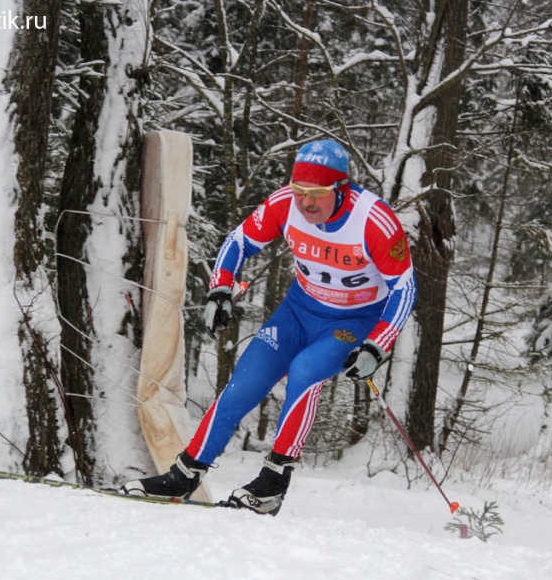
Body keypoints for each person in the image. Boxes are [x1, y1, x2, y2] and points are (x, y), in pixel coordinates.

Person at [120, 139, 417, 515]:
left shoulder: (373, 219)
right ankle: (185, 474)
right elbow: (238, 241)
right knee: (245, 382)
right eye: (299, 190)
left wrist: (377, 344)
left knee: (306, 370)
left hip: (352, 322)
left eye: (317, 193)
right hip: (298, 313)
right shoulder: (284, 204)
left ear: (341, 188)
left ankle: (272, 483)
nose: (306, 202)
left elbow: (404, 288)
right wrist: (220, 289)